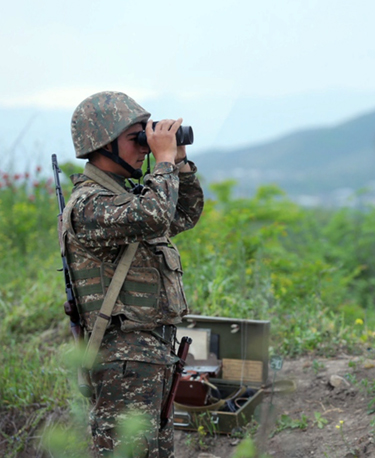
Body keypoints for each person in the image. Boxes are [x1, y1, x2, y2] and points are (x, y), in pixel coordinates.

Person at [60, 91, 204, 457]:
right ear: (103, 144)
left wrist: (180, 161)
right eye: (136, 138)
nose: (146, 146)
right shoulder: (90, 204)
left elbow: (181, 215)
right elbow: (154, 215)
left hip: (147, 354)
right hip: (123, 359)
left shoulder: (124, 198)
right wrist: (164, 161)